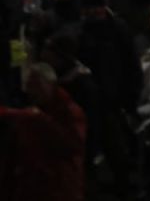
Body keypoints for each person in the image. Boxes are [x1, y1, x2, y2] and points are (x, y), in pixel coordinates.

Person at [0, 63, 87, 201]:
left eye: (35, 86)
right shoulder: (34, 112)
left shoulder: (69, 111)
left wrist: (42, 121)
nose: (30, 92)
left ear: (50, 84)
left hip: (61, 189)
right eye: (28, 86)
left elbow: (73, 146)